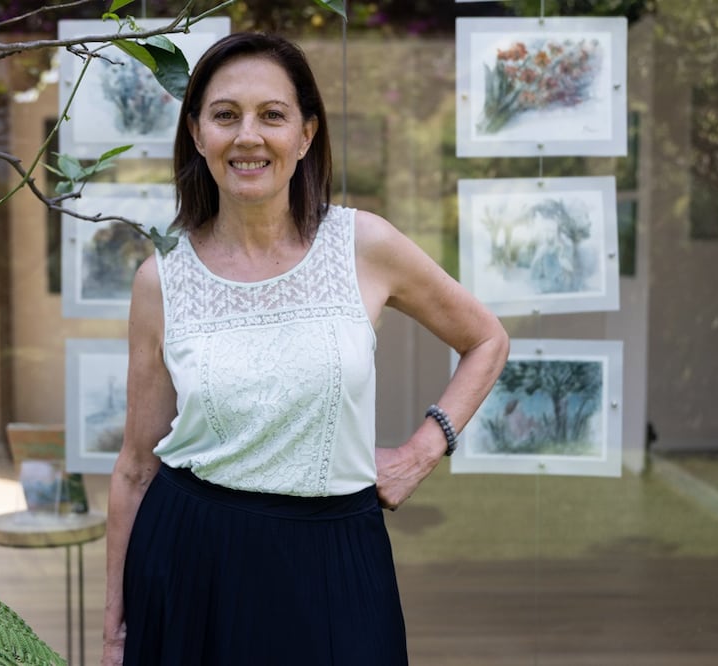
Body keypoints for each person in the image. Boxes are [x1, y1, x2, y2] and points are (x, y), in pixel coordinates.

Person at [101, 32, 509, 666]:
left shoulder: (364, 245)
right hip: (191, 560)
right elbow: (135, 466)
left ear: (306, 135)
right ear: (198, 133)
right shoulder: (163, 279)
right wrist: (114, 633)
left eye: (272, 115)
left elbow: (486, 338)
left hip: (336, 556)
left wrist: (422, 452)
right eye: (225, 115)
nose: (248, 137)